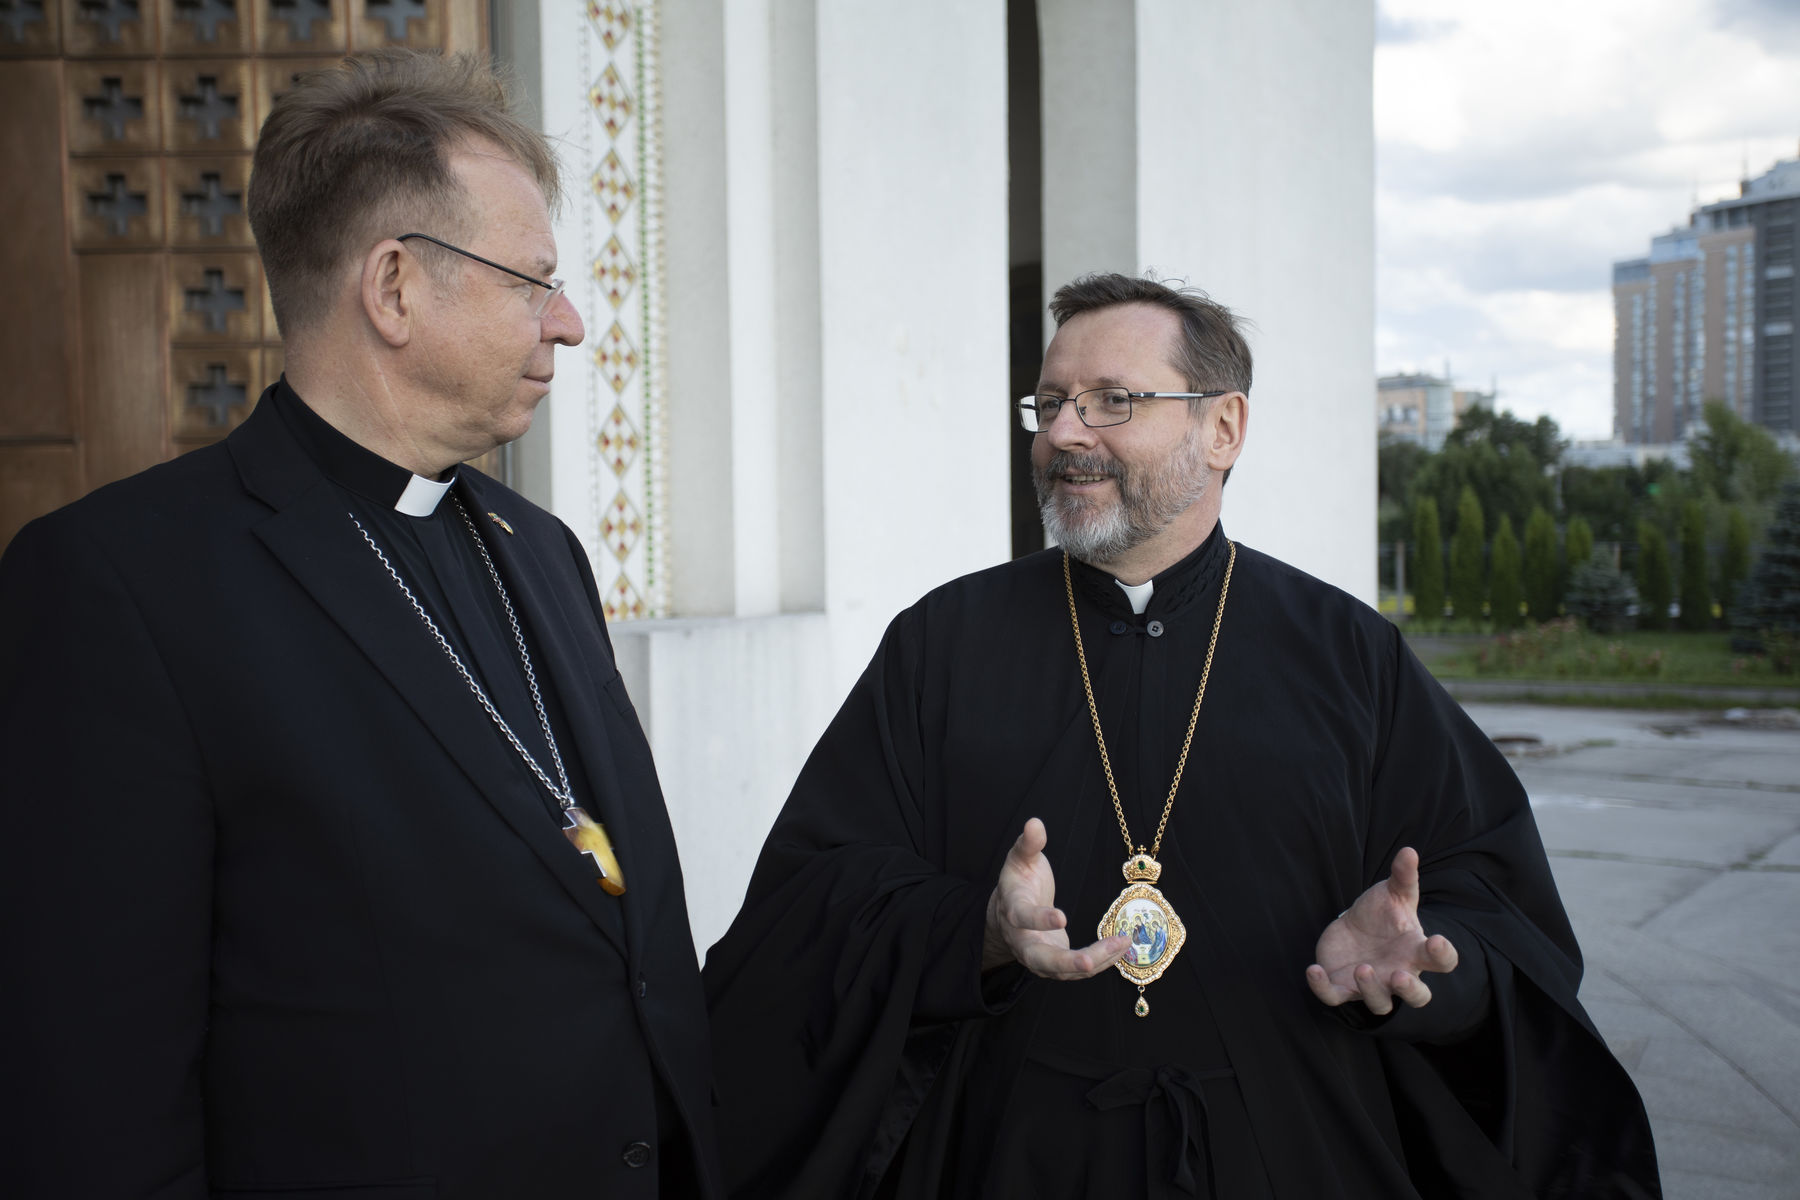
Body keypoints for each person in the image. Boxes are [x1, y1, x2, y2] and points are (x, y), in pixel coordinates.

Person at [703, 274, 1661, 1198]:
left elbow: (1492, 897)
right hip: (1009, 1156)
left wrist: (1424, 963)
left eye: (1112, 400)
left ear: (1223, 427)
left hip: (1286, 1151)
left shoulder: (1346, 654)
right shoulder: (943, 644)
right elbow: (814, 902)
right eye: (1049, 404)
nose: (1066, 433)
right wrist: (977, 933)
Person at [0, 51, 719, 1198]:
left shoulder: (542, 550)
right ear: (393, 287)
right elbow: (93, 1083)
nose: (570, 323)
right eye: (533, 281)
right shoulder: (120, 584)